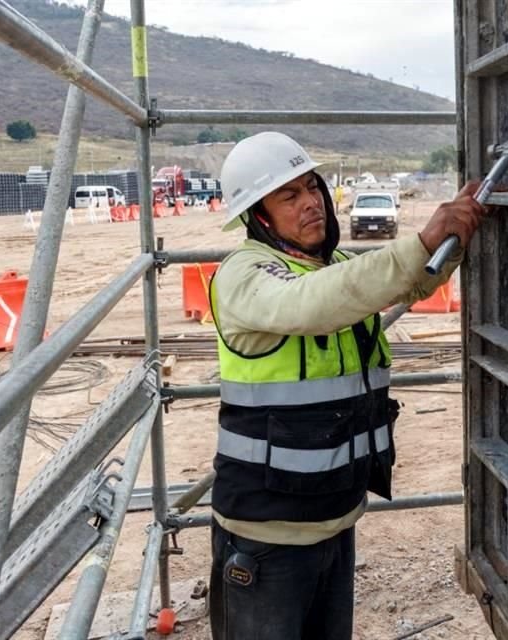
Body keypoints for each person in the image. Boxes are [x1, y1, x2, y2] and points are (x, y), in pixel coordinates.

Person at [207, 131, 485, 639]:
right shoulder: (243, 276)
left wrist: (454, 239)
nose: (311, 202)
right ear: (257, 215)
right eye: (289, 196)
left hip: (333, 515)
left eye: (311, 187)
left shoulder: (330, 265)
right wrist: (420, 242)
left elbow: (404, 280)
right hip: (267, 532)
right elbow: (314, 303)